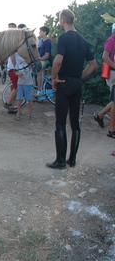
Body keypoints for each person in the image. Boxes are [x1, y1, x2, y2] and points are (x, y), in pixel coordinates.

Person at [46, 9, 97, 169]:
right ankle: (72, 159)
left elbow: (58, 61)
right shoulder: (83, 40)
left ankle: (60, 160)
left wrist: (54, 78)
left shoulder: (64, 38)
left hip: (64, 82)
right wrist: (79, 77)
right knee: (75, 123)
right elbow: (93, 64)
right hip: (76, 84)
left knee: (60, 122)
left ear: (62, 20)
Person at [94, 23, 115, 134]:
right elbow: (104, 56)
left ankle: (100, 115)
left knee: (114, 100)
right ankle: (111, 128)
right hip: (113, 73)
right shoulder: (111, 40)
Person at [35, 26, 52, 96]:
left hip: (47, 60)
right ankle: (39, 88)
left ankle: (39, 91)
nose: (39, 32)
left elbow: (47, 55)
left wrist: (39, 60)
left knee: (39, 71)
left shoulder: (47, 42)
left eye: (41, 31)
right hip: (41, 59)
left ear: (45, 32)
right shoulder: (40, 41)